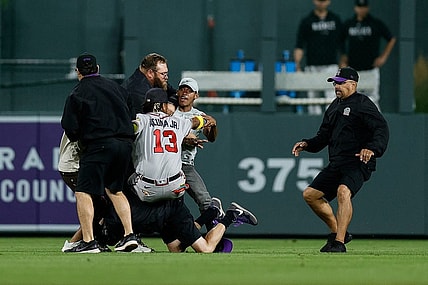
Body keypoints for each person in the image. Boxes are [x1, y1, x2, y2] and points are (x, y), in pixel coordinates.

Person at [103, 88, 258, 253]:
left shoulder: (141, 120)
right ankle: (222, 215)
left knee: (118, 184)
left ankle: (129, 235)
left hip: (145, 189)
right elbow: (197, 121)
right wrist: (208, 121)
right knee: (183, 248)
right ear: (163, 106)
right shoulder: (179, 121)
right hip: (174, 190)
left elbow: (128, 128)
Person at [291, 67, 389, 253]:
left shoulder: (362, 103)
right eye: (335, 82)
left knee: (343, 191)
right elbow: (324, 136)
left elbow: (381, 129)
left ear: (353, 84)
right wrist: (307, 144)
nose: (337, 86)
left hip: (358, 161)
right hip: (338, 162)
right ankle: (338, 232)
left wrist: (372, 149)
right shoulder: (334, 106)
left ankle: (339, 243)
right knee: (310, 195)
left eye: (341, 82)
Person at [61, 53, 141, 253]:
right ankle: (129, 235)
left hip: (99, 145)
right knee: (116, 190)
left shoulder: (77, 93)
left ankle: (88, 241)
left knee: (83, 191)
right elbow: (131, 116)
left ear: (78, 72)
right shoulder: (116, 87)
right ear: (97, 68)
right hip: (124, 145)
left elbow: (70, 128)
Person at [173, 78, 217, 221]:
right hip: (168, 165)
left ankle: (214, 238)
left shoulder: (199, 116)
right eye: (182, 89)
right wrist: (185, 139)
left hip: (186, 165)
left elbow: (211, 138)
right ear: (177, 92)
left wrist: (213, 126)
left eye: (189, 91)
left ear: (196, 95)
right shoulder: (169, 111)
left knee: (206, 202)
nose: (185, 93)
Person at [339, 0, 396, 109]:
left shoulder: (374, 23)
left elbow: (391, 38)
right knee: (352, 100)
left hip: (370, 69)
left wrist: (383, 57)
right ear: (355, 8)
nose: (361, 10)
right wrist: (343, 56)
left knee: (373, 100)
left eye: (364, 7)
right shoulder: (349, 24)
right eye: (359, 7)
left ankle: (376, 125)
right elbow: (340, 40)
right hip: (353, 71)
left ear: (367, 8)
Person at [294, 0, 343, 115]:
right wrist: (297, 64)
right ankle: (315, 128)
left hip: (331, 66)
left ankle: (331, 127)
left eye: (324, 0)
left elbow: (341, 44)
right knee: (312, 100)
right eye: (319, 0)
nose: (321, 3)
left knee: (332, 99)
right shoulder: (307, 21)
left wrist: (343, 62)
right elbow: (300, 45)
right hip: (312, 66)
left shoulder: (335, 20)